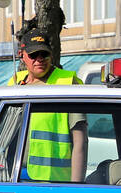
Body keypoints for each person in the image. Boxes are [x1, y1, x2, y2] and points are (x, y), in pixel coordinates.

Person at [7, 26, 87, 182]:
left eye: (44, 53)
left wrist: (76, 187)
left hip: (54, 182)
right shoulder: (16, 82)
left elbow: (81, 142)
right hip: (14, 175)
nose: (40, 59)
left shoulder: (68, 83)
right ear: (21, 55)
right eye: (33, 54)